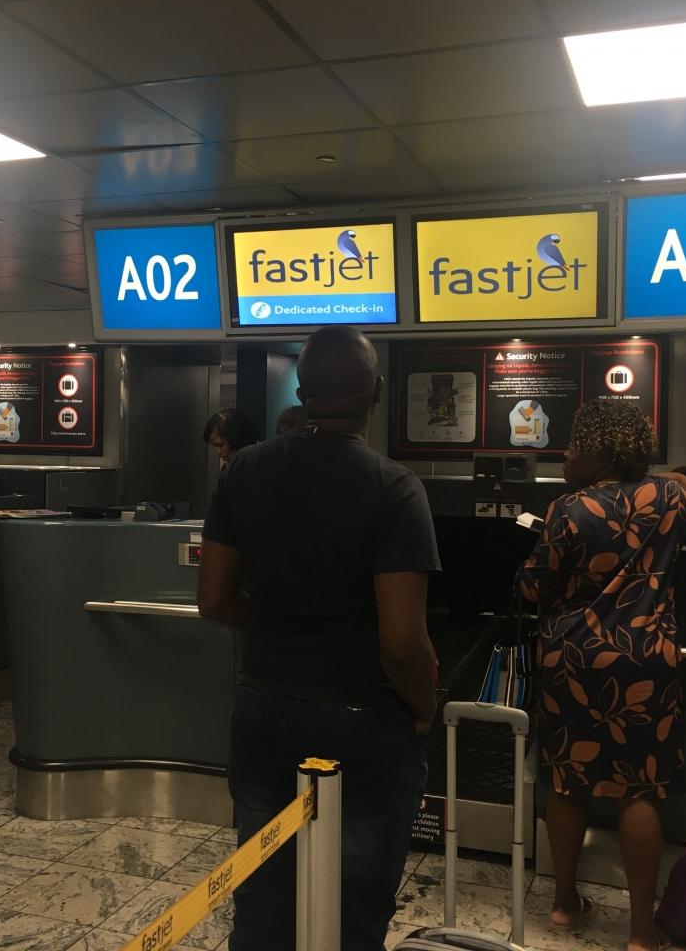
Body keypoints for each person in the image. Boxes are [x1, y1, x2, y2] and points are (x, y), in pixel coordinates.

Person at [198, 325, 439, 951]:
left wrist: (275, 626)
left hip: (263, 708)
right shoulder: (394, 488)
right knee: (353, 911)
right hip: (364, 718)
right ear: (377, 392)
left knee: (261, 900)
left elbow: (214, 597)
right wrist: (424, 707)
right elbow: (401, 641)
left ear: (302, 393)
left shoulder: (243, 470)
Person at [518, 400, 686, 951]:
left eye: (575, 445)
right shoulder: (671, 497)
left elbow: (534, 586)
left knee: (568, 783)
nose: (566, 455)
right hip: (644, 662)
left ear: (601, 451)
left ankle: (564, 904)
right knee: (639, 792)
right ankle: (640, 933)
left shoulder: (569, 508)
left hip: (573, 660)